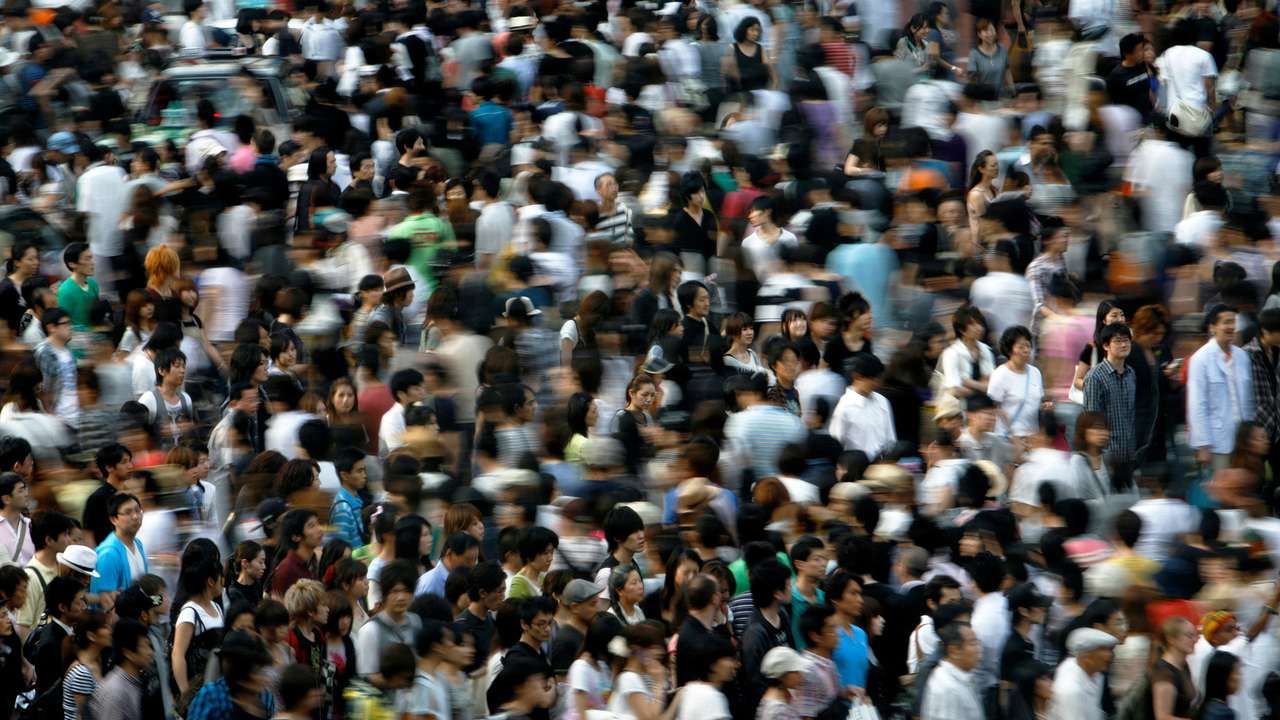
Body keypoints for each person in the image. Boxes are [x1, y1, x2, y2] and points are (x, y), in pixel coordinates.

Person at [1187, 305, 1256, 469]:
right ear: (1213, 327)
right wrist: (1203, 444)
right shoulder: (1200, 359)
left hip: (1242, 440)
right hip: (1217, 440)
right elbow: (1197, 404)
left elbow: (1249, 399)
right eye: (1226, 322)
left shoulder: (1242, 356)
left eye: (1233, 322)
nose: (1231, 327)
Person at [828, 352, 896, 462]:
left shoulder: (882, 401)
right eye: (872, 379)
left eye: (878, 379)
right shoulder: (845, 406)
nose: (876, 384)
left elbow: (890, 438)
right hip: (855, 466)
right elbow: (837, 442)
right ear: (857, 377)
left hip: (881, 464)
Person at [92, 619, 155, 720]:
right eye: (145, 646)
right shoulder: (114, 692)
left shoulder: (136, 681)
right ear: (129, 653)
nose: (151, 653)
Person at [920, 622, 984, 720]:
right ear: (954, 651)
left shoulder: (960, 677)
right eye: (973, 643)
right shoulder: (948, 688)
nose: (979, 649)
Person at [1050, 628, 1118, 720]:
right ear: (1086, 655)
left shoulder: (1097, 675)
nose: (1110, 655)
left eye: (1110, 650)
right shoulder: (1070, 690)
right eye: (1103, 649)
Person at [90, 493, 148, 596]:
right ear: (113, 519)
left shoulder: (138, 544)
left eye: (137, 510)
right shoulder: (108, 554)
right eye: (128, 512)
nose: (135, 516)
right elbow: (106, 600)